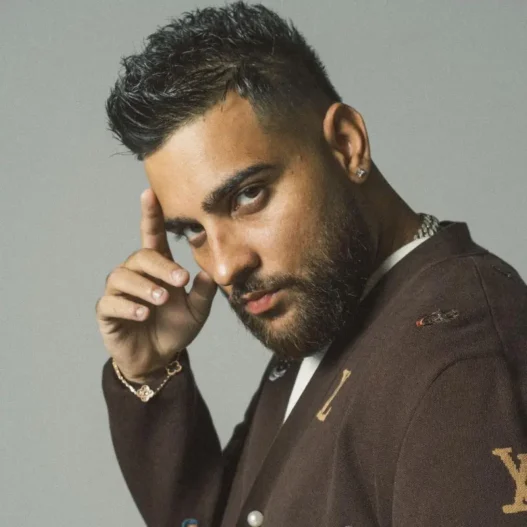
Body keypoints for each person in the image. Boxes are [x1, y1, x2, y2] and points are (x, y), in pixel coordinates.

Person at [96, 2, 527, 526]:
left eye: (249, 195)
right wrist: (150, 374)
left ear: (347, 145)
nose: (226, 268)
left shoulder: (457, 365)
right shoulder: (335, 304)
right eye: (193, 231)